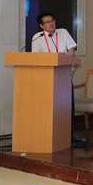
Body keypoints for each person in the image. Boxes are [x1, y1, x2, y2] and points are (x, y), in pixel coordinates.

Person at [32, 12, 78, 142]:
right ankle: (48, 136)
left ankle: (69, 137)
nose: (51, 23)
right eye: (47, 22)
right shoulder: (37, 38)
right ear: (41, 26)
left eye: (52, 20)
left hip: (64, 75)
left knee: (67, 107)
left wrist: (66, 62)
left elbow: (71, 49)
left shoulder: (63, 32)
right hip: (47, 78)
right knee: (49, 108)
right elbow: (36, 58)